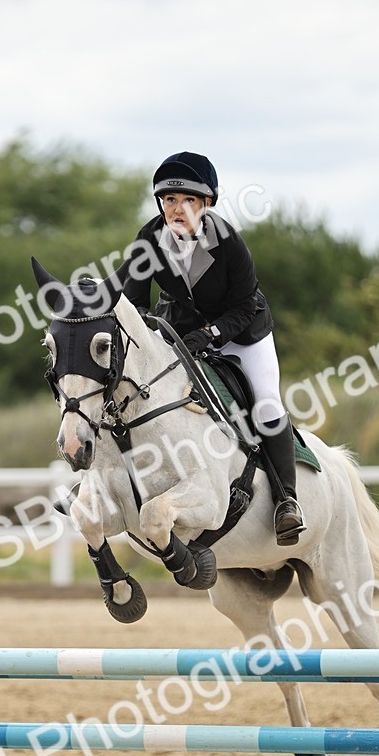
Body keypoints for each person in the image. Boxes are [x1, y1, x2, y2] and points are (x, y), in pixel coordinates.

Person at [123, 150, 304, 545]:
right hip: (181, 331)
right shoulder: (147, 241)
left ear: (206, 204)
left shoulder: (229, 243)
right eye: (170, 200)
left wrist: (212, 334)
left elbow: (246, 304)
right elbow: (134, 302)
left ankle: (287, 501)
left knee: (267, 404)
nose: (178, 209)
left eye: (188, 200)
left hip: (243, 332)